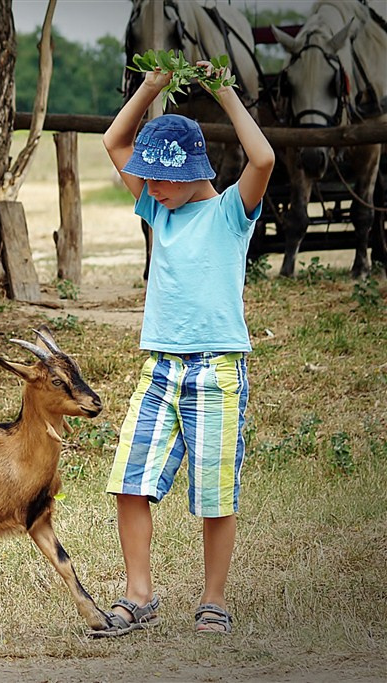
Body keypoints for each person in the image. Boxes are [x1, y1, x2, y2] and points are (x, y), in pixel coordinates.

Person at [90, 62, 275, 637]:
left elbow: (262, 159)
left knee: (215, 493)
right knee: (129, 480)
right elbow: (112, 141)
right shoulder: (157, 210)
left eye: (162, 179)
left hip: (217, 369)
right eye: (148, 180)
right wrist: (152, 87)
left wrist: (222, 90)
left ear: (194, 172)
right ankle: (139, 594)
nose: (151, 187)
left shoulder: (229, 214)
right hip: (160, 367)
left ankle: (213, 600)